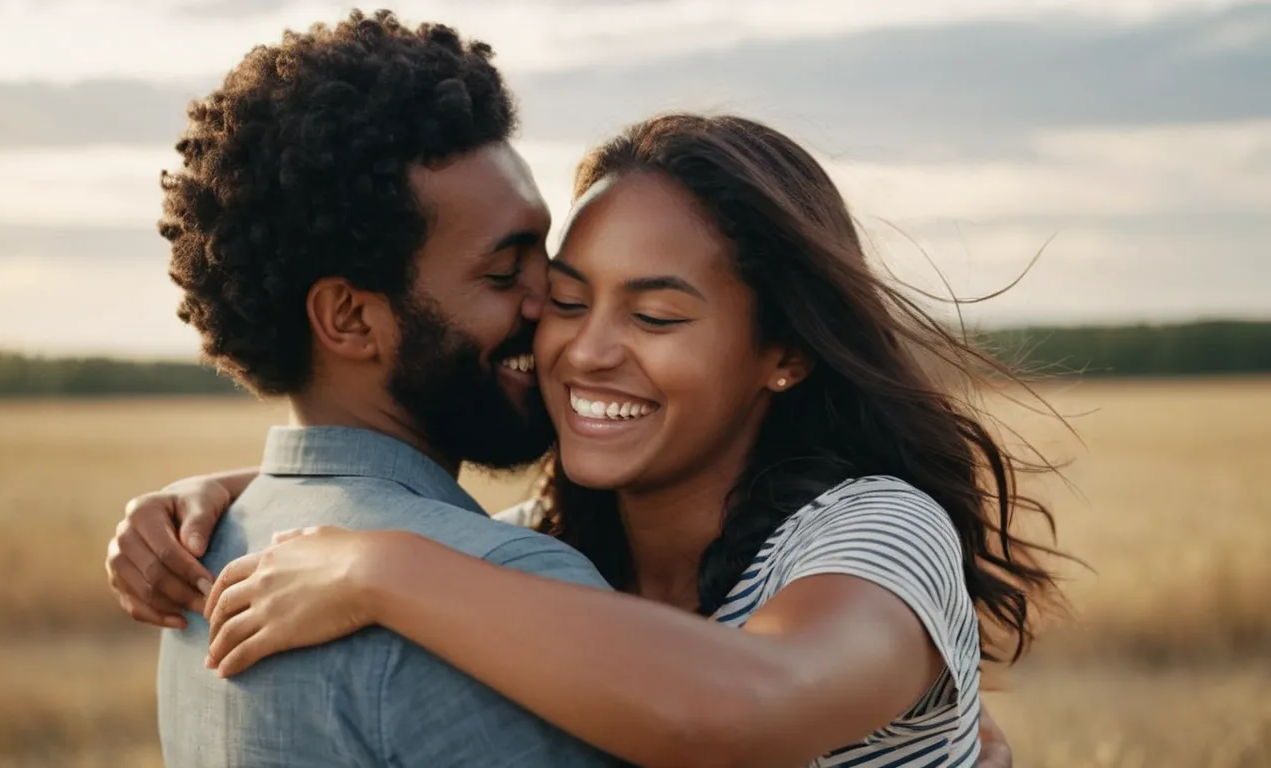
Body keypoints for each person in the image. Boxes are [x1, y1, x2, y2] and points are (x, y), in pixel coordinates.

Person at [109, 110, 1057, 765]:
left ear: (784, 354)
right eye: (567, 299)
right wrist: (245, 489)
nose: (585, 351)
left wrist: (381, 571)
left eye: (657, 317)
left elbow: (743, 706)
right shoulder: (545, 543)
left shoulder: (876, 532)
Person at [124, 9, 617, 767]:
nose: (550, 300)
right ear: (350, 318)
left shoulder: (204, 553)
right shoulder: (508, 588)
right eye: (503, 270)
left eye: (543, 255)